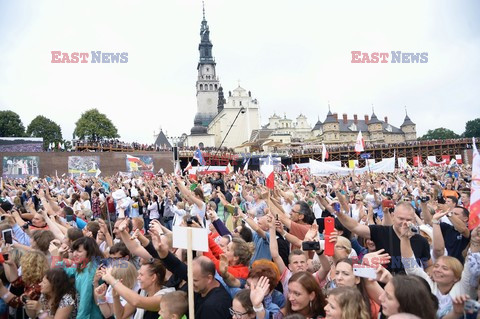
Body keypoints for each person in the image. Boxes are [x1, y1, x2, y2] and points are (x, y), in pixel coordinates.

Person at [336, 199, 431, 274]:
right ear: (393, 216)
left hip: (410, 292)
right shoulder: (381, 232)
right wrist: (338, 212)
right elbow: (355, 227)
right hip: (384, 290)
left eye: (408, 219)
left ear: (414, 220)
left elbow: (429, 266)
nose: (404, 222)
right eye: (401, 218)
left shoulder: (421, 241)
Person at [154, 230, 232, 319]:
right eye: (190, 278)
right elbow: (177, 266)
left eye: (194, 280)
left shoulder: (213, 306)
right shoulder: (201, 283)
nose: (190, 283)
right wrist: (162, 251)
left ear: (209, 278)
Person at [57, 237, 104, 319]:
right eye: (73, 251)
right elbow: (60, 272)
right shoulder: (83, 266)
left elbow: (85, 301)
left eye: (79, 251)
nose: (74, 254)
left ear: (89, 252)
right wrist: (59, 255)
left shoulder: (90, 270)